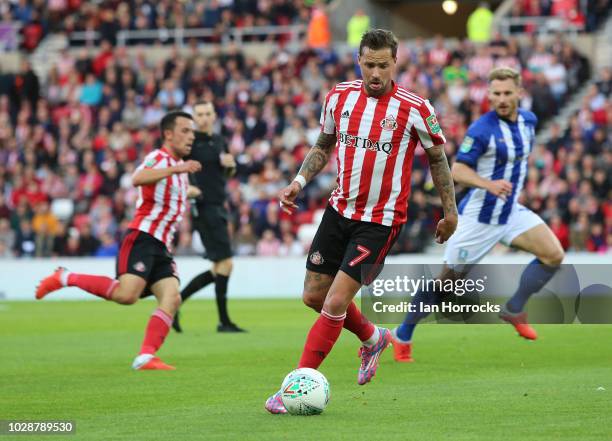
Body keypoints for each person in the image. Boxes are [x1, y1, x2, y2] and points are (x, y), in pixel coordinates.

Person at [265, 29, 458, 414]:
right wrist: (299, 182)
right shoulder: (340, 96)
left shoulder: (415, 108)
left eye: (382, 66)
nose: (375, 73)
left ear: (394, 63)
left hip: (380, 221)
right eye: (369, 64)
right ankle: (373, 338)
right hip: (339, 211)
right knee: (313, 296)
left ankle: (296, 386)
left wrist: (449, 212)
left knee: (335, 301)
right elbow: (323, 145)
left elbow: (438, 160)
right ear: (359, 61)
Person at [391, 67, 566, 363]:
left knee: (553, 255)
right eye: (496, 93)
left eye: (507, 93)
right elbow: (458, 169)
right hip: (479, 217)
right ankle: (403, 333)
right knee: (445, 285)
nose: (502, 99)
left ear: (519, 93)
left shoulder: (529, 121)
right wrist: (489, 184)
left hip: (510, 212)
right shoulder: (482, 129)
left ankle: (514, 308)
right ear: (488, 94)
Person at [35, 110, 202, 370]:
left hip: (162, 247)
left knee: (172, 297)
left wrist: (195, 191)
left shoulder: (179, 173)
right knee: (126, 295)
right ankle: (65, 277)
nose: (191, 136)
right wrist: (177, 168)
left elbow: (177, 191)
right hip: (142, 237)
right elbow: (138, 178)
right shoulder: (159, 159)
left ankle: (146, 356)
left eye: (192, 131)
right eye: (185, 130)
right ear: (168, 134)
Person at [173, 101, 246, 333]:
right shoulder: (190, 142)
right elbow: (178, 168)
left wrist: (230, 166)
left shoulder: (218, 140)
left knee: (220, 267)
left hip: (218, 205)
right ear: (194, 118)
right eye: (199, 114)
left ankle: (175, 304)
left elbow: (225, 173)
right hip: (203, 207)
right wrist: (188, 188)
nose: (204, 118)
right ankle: (223, 322)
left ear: (214, 116)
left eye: (207, 114)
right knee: (225, 263)